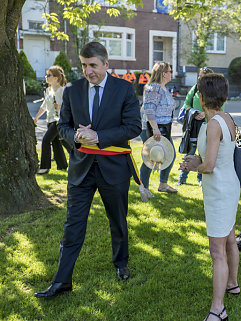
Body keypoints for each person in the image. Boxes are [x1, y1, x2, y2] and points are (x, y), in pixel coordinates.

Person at [34, 42, 141, 298]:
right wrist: (78, 138)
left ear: (106, 63)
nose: (88, 70)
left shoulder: (124, 89)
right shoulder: (72, 89)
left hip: (113, 168)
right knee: (73, 225)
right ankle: (62, 281)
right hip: (81, 168)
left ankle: (121, 263)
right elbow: (63, 127)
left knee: (117, 220)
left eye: (93, 65)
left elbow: (133, 127)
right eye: (84, 65)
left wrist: (98, 136)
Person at [179, 73, 240, 321]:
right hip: (230, 186)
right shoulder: (227, 119)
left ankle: (218, 309)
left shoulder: (213, 124)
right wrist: (199, 161)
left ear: (201, 98)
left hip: (219, 191)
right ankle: (232, 284)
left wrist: (194, 165)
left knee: (217, 251)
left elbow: (210, 165)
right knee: (230, 240)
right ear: (224, 96)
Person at [139, 62, 177, 194]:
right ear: (163, 73)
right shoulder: (154, 88)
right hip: (152, 129)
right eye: (170, 71)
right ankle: (144, 188)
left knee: (169, 156)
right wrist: (155, 128)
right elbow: (149, 109)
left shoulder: (163, 88)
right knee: (150, 158)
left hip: (164, 129)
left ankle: (163, 184)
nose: (171, 73)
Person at [177, 67, 214, 186]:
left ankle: (201, 178)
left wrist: (206, 114)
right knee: (190, 152)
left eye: (203, 77)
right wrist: (195, 113)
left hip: (208, 125)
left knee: (204, 152)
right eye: (200, 76)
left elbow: (220, 110)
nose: (200, 78)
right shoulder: (194, 89)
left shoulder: (214, 91)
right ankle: (182, 179)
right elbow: (187, 104)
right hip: (194, 126)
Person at [33, 65, 68, 174]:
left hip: (58, 121)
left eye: (49, 75)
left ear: (56, 78)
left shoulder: (62, 90)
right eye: (46, 74)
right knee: (56, 143)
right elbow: (44, 105)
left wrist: (60, 107)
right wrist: (37, 117)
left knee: (46, 141)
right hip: (50, 120)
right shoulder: (48, 90)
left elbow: (71, 106)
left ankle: (45, 167)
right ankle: (62, 166)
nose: (46, 77)